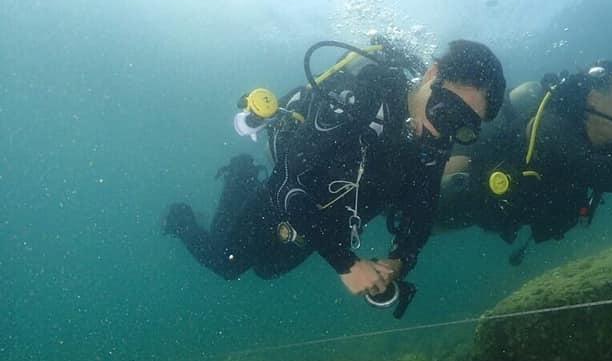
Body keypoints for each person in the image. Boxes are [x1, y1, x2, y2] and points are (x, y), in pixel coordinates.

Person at [163, 38, 505, 307]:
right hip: (285, 197)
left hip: (326, 225)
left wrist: (400, 260)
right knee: (228, 263)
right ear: (432, 75)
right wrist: (346, 264)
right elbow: (286, 181)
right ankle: (208, 198)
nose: (442, 132)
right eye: (446, 112)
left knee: (268, 269)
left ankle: (242, 182)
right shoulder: (359, 101)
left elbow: (422, 209)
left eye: (463, 129)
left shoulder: (433, 143)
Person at [434, 60, 612, 262]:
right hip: (469, 189)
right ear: (595, 97)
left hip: (493, 212)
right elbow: (585, 168)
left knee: (430, 221)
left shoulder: (604, 149)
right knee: (429, 200)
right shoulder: (553, 123)